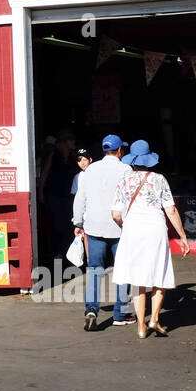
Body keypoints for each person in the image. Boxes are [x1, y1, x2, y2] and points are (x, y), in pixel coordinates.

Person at [110, 140, 192, 339]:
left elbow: (115, 214)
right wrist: (182, 236)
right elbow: (171, 210)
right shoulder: (159, 179)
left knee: (138, 280)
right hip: (155, 229)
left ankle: (140, 326)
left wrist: (125, 226)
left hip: (132, 230)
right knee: (159, 274)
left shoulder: (124, 181)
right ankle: (154, 318)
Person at [72, 135, 133, 331]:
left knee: (94, 270)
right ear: (120, 151)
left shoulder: (91, 170)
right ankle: (121, 313)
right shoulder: (126, 170)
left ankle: (91, 309)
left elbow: (80, 198)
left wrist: (78, 222)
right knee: (122, 269)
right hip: (119, 226)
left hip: (94, 226)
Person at [43, 130, 79, 259]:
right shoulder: (54, 155)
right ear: (64, 142)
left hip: (68, 195)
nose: (73, 142)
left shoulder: (73, 157)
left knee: (68, 223)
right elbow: (45, 174)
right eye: (71, 139)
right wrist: (41, 192)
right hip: (54, 195)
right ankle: (56, 252)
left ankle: (65, 252)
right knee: (56, 224)